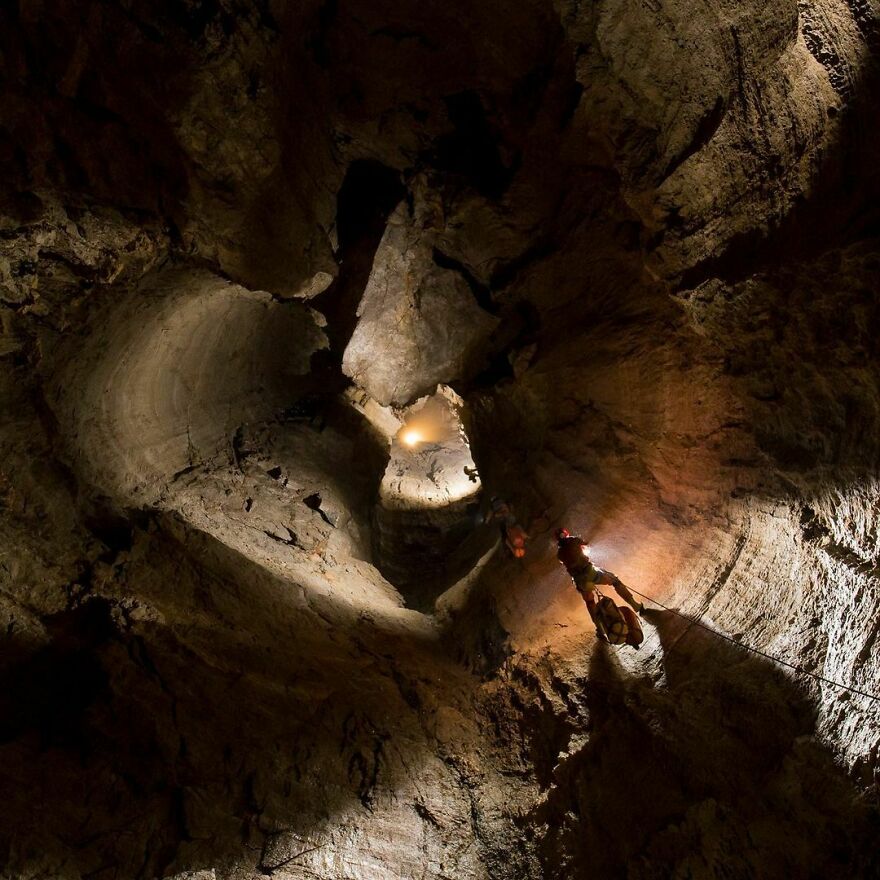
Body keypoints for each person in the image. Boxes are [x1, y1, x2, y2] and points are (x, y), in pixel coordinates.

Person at [555, 528, 644, 646]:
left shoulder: (559, 554)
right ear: (566, 534)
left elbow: (565, 562)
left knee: (590, 602)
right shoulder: (574, 540)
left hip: (580, 581)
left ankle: (600, 629)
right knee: (615, 581)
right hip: (591, 573)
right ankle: (635, 604)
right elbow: (586, 544)